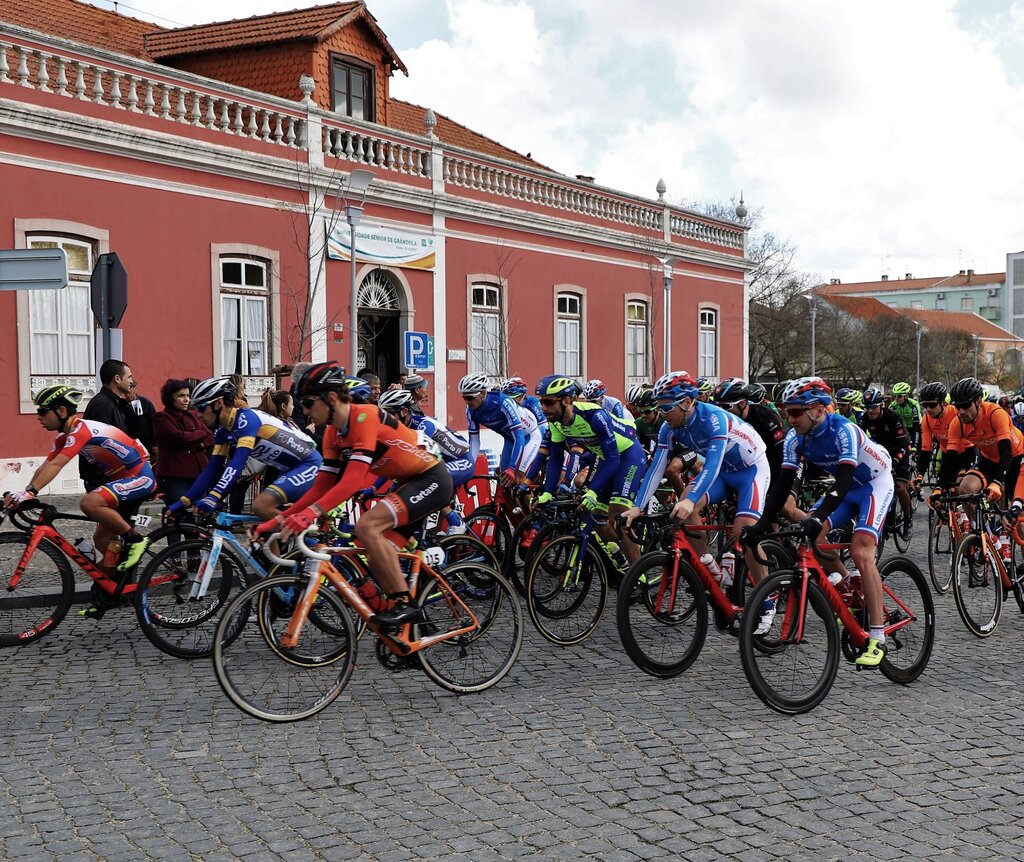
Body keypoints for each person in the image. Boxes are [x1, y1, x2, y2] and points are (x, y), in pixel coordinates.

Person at [257, 362, 452, 629]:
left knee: (367, 526)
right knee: (374, 555)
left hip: (431, 478)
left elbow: (352, 481)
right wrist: (277, 521)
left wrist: (310, 514)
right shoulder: (333, 434)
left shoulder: (365, 417)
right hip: (408, 483)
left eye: (310, 403)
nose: (304, 411)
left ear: (332, 398)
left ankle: (404, 605)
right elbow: (320, 487)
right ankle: (413, 631)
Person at [746, 377, 893, 667]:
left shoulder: (844, 430)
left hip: (874, 483)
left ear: (819, 409)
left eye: (796, 412)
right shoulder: (794, 438)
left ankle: (878, 636)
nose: (789, 418)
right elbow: (782, 484)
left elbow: (845, 477)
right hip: (847, 490)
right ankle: (847, 583)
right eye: (787, 411)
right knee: (812, 537)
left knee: (862, 552)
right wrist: (761, 524)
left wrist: (819, 516)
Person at [624, 371, 771, 630]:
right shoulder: (668, 428)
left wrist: (691, 500)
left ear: (687, 403)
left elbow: (711, 466)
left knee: (744, 533)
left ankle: (767, 602)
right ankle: (708, 564)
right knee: (685, 504)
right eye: (659, 406)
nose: (663, 412)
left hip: (750, 471)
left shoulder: (714, 419)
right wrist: (637, 506)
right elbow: (657, 467)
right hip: (724, 473)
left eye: (666, 406)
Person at [5, 385, 156, 584]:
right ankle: (108, 591)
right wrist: (24, 493)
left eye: (42, 411)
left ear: (61, 411)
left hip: (139, 476)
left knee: (89, 503)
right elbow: (46, 465)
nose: (38, 417)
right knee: (102, 540)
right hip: (120, 479)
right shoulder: (64, 437)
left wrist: (32, 492)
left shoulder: (80, 431)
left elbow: (59, 464)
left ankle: (137, 540)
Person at [166, 376, 322, 521]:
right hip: (287, 469)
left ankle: (307, 540)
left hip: (308, 464)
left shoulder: (247, 420)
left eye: (201, 408)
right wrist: (184, 500)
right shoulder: (223, 431)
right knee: (264, 538)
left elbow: (237, 462)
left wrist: (214, 497)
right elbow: (212, 469)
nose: (198, 415)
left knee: (261, 506)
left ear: (218, 404)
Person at [535, 375, 647, 563]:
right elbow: (555, 458)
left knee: (619, 516)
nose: (543, 407)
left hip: (628, 454)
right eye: (541, 402)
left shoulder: (594, 416)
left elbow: (613, 458)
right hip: (605, 457)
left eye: (548, 402)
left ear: (566, 401)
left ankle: (639, 575)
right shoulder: (555, 422)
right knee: (595, 517)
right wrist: (548, 492)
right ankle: (621, 552)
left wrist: (593, 492)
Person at [376, 387, 473, 532]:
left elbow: (425, 464)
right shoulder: (399, 429)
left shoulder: (423, 427)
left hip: (462, 460)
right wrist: (373, 487)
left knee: (427, 481)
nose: (385, 419)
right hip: (440, 461)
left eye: (389, 414)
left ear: (404, 412)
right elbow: (390, 461)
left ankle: (455, 522)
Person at [943, 377, 1024, 516]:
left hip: (1016, 457)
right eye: (957, 406)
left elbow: (1006, 452)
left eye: (966, 405)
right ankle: (981, 533)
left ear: (979, 401)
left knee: (1018, 520)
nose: (961, 411)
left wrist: (997, 483)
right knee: (965, 491)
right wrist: (940, 488)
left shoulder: (996, 414)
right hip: (989, 459)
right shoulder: (957, 423)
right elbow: (950, 459)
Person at [459, 373, 537, 490]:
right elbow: (474, 441)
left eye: (470, 397)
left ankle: (530, 508)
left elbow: (519, 437)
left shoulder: (503, 402)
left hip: (528, 436)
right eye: (464, 398)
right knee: (503, 481)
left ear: (483, 393)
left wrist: (512, 468)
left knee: (517, 479)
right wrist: (469, 468)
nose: (467, 401)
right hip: (510, 439)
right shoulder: (470, 410)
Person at [859, 387, 914, 539]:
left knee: (899, 487)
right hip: (882, 454)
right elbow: (859, 441)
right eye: (867, 407)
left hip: (899, 451)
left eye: (874, 407)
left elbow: (903, 445)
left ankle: (908, 519)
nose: (870, 411)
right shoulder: (864, 419)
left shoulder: (892, 417)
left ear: (881, 405)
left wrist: (895, 462)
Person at [153, 379, 212, 505]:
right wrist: (199, 437)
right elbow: (178, 437)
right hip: (175, 475)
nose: (186, 400)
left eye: (188, 396)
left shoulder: (193, 415)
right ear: (170, 398)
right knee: (180, 512)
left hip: (199, 473)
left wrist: (196, 439)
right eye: (181, 396)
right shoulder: (162, 417)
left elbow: (209, 437)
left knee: (198, 511)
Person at [81, 359, 136, 490]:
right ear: (117, 378)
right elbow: (100, 444)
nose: (131, 382)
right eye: (129, 377)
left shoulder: (114, 403)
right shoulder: (103, 404)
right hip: (105, 478)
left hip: (112, 476)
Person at [890, 382, 922, 449]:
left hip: (915, 428)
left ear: (906, 396)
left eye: (899, 396)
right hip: (903, 429)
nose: (896, 398)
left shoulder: (914, 405)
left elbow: (916, 426)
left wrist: (914, 445)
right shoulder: (893, 406)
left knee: (918, 448)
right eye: (894, 396)